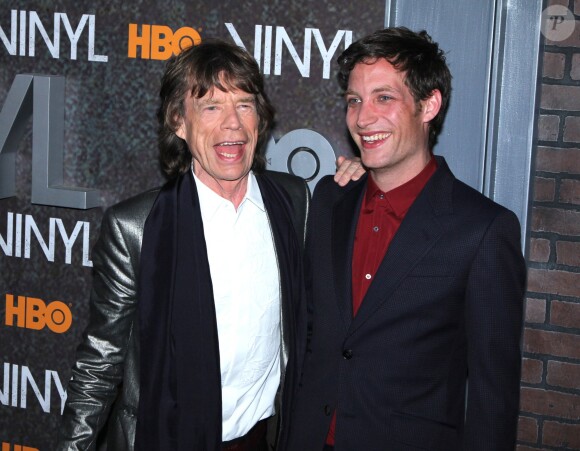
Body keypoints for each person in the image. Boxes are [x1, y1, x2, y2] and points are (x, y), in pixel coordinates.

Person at [287, 27, 526, 451]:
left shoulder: (483, 230)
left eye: (384, 98)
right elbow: (309, 335)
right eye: (354, 101)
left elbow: (493, 396)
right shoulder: (329, 200)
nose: (362, 118)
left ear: (428, 105)